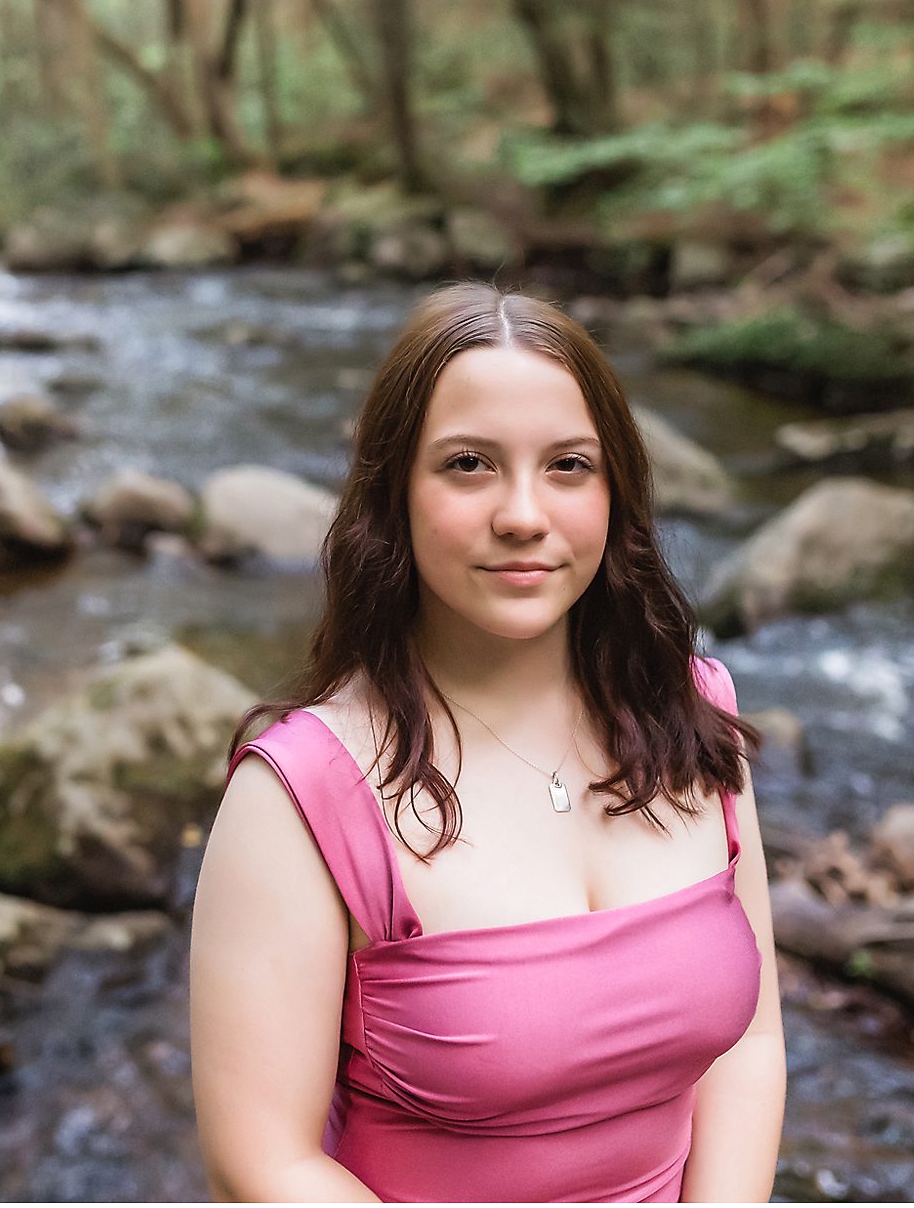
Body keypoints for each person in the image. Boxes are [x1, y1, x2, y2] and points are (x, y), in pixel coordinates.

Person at [188, 282, 785, 1202]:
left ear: (615, 488)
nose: (522, 513)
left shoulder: (693, 715)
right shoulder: (301, 796)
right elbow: (262, 1161)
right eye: (469, 464)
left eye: (568, 466)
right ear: (394, 493)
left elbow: (749, 1043)